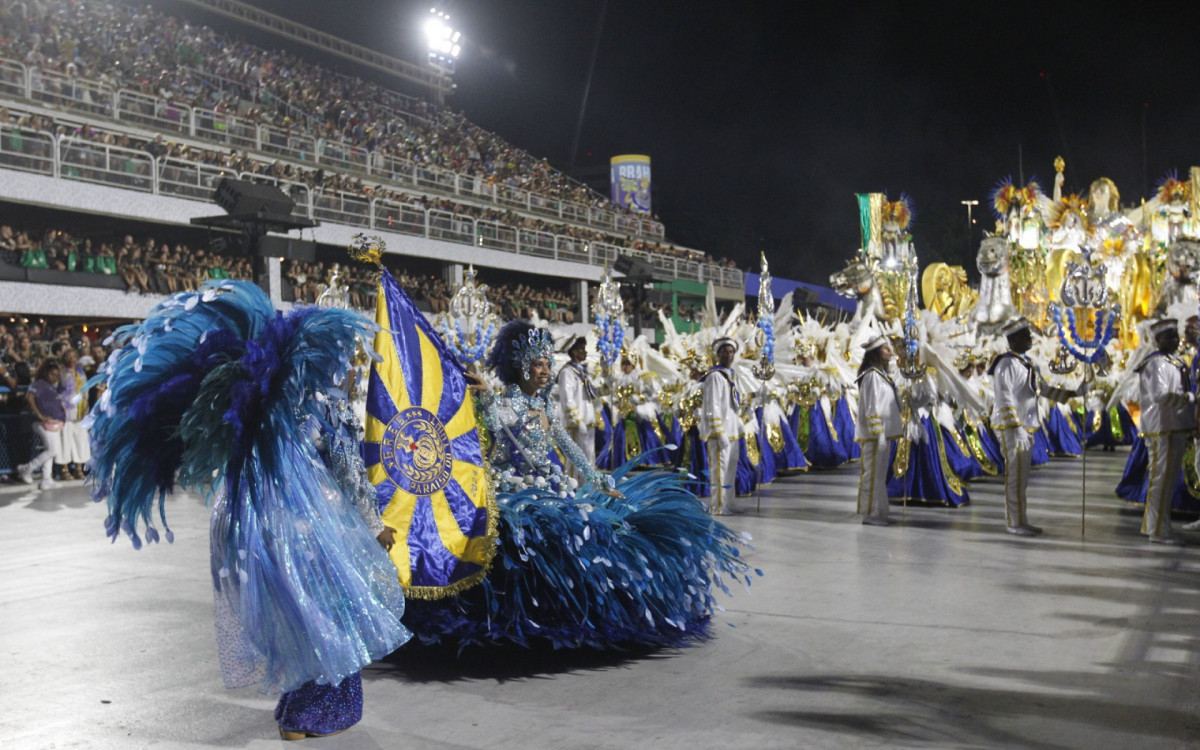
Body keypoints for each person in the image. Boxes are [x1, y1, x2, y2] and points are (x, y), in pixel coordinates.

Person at [87, 281, 410, 741]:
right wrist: (374, 526)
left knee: (293, 617)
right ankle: (308, 715)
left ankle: (296, 710)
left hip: (252, 526)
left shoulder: (265, 403)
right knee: (333, 613)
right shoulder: (327, 409)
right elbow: (349, 473)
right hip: (313, 530)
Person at [405, 319, 754, 649]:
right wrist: (486, 396)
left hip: (549, 485)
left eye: (547, 364)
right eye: (538, 365)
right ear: (523, 368)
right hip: (514, 489)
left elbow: (568, 446)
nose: (545, 371)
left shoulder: (543, 406)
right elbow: (496, 420)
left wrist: (598, 478)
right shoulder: (509, 404)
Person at [990, 318, 1088, 536]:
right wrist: (1016, 427)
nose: (1030, 339)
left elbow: (1042, 389)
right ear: (1014, 340)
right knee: (1015, 477)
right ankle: (1014, 522)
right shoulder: (1005, 364)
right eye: (1026, 335)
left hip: (1024, 427)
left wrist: (1074, 393)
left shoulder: (1025, 363)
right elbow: (1004, 398)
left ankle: (1021, 519)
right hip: (1011, 427)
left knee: (1022, 478)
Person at [1135, 319, 1195, 544]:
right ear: (1158, 339)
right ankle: (1158, 530)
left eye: (1176, 335)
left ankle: (1157, 525)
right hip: (1163, 428)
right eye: (1169, 336)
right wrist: (1189, 398)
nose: (1175, 340)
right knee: (1161, 478)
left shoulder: (1172, 362)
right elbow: (1160, 396)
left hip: (1172, 427)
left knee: (1166, 480)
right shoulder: (1156, 363)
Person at [855, 336, 902, 526]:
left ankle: (880, 511)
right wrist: (879, 433)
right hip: (875, 436)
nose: (890, 352)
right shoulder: (872, 376)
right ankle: (870, 513)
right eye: (885, 349)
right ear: (876, 352)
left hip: (884, 434)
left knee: (880, 475)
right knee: (872, 475)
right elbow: (872, 407)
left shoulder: (883, 375)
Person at [700, 337, 743, 515]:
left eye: (731, 351)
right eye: (724, 352)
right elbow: (713, 405)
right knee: (719, 471)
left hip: (733, 431)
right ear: (718, 355)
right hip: (720, 433)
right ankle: (718, 505)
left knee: (730, 471)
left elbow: (736, 403)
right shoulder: (715, 376)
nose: (728, 355)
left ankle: (729, 502)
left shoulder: (732, 375)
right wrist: (718, 431)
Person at [16, 358, 65, 490]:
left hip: (54, 422)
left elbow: (65, 386)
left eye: (57, 375)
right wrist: (40, 415)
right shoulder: (39, 384)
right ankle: (27, 468)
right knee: (52, 450)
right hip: (41, 422)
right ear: (45, 373)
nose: (55, 377)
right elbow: (29, 398)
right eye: (52, 374)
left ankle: (46, 479)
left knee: (50, 450)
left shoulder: (53, 387)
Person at [554, 334, 597, 481]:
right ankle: (572, 487)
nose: (585, 352)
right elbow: (567, 399)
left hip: (588, 421)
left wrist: (607, 376)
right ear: (574, 352)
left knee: (589, 458)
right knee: (575, 459)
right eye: (582, 349)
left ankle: (588, 486)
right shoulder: (567, 372)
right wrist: (577, 421)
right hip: (577, 425)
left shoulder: (583, 372)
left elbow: (595, 393)